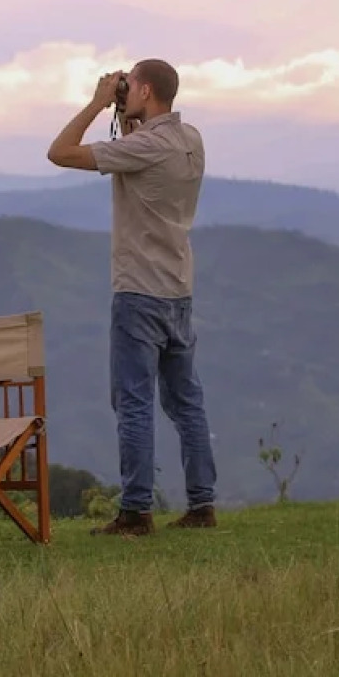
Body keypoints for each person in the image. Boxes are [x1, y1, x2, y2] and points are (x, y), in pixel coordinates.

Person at [45, 58, 217, 535]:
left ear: (143, 90)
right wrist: (127, 115)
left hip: (139, 291)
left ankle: (136, 511)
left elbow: (59, 152)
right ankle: (202, 504)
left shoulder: (145, 146)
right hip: (178, 289)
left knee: (134, 402)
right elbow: (140, 152)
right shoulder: (191, 139)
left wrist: (98, 103)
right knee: (186, 402)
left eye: (131, 85)